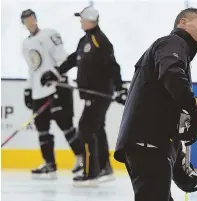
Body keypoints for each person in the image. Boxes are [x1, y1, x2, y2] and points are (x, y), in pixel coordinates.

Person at [114, 8, 197, 201]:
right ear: (183, 22)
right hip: (147, 144)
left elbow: (163, 113)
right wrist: (192, 105)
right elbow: (172, 74)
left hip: (152, 144)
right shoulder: (172, 42)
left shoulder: (176, 52)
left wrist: (179, 166)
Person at [41, 6, 127, 185]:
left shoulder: (100, 41)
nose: (80, 21)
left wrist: (120, 88)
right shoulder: (85, 40)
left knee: (85, 128)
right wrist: (55, 73)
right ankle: (105, 168)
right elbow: (73, 60)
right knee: (96, 128)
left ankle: (91, 172)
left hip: (99, 93)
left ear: (90, 20)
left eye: (82, 19)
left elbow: (113, 66)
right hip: (89, 94)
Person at [21, 9, 83, 178]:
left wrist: (56, 75)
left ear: (36, 19)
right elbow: (32, 69)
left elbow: (62, 59)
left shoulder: (50, 35)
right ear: (23, 24)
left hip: (57, 87)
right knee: (42, 129)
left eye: (32, 18)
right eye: (26, 21)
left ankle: (81, 158)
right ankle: (49, 164)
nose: (30, 22)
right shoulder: (25, 44)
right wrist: (29, 89)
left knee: (66, 126)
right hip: (38, 93)